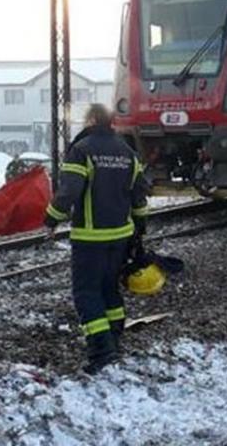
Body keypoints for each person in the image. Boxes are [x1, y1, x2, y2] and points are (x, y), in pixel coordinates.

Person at [44, 104, 149, 374]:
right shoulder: (128, 153)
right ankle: (114, 340)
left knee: (86, 292)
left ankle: (101, 352)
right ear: (111, 121)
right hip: (121, 236)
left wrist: (51, 219)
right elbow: (139, 198)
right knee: (109, 288)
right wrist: (140, 229)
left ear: (91, 120)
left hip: (90, 237)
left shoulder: (81, 150)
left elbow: (69, 192)